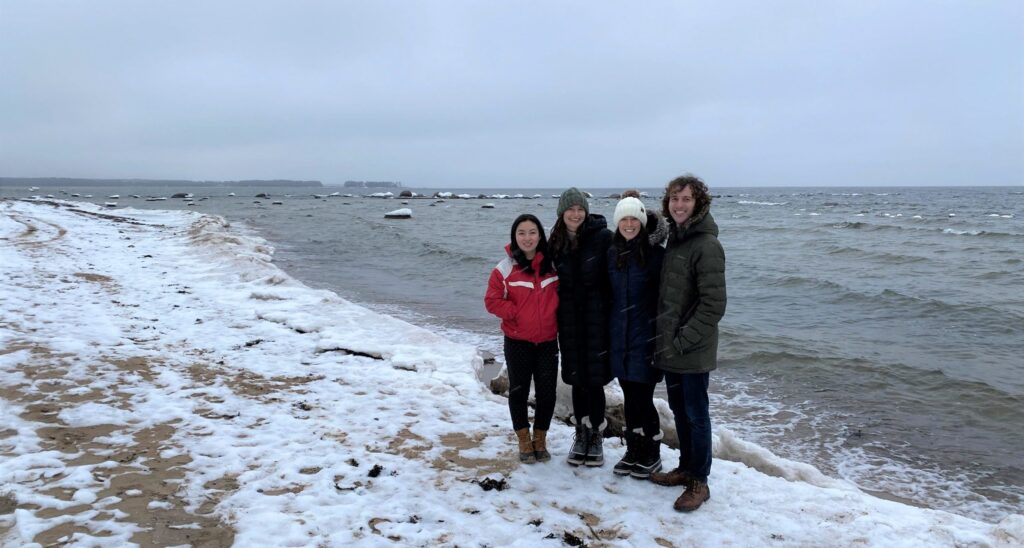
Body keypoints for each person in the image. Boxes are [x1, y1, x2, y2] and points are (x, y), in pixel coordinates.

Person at [649, 174, 727, 512]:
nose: (679, 205)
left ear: (699, 204)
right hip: (672, 347)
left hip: (691, 350)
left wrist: (683, 339)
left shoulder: (707, 245)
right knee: (680, 411)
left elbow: (714, 305)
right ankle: (685, 467)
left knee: (697, 415)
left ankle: (700, 481)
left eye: (686, 199)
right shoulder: (676, 241)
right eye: (674, 199)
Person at [485, 214, 560, 463]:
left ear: (540, 235)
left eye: (532, 232)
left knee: (547, 394)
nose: (527, 238)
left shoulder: (553, 264)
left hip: (548, 341)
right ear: (515, 237)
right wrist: (516, 314)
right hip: (517, 340)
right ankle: (524, 440)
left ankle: (540, 439)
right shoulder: (505, 268)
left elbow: (566, 295)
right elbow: (492, 301)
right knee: (518, 391)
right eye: (522, 233)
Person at [549, 187, 613, 466]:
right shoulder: (555, 242)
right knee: (576, 378)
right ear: (562, 213)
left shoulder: (603, 238)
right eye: (570, 209)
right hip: (569, 321)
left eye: (579, 209)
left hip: (597, 320)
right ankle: (581, 434)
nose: (575, 214)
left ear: (586, 211)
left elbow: (617, 273)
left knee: (595, 379)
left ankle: (595, 435)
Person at [607, 196, 668, 479]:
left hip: (646, 339)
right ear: (617, 223)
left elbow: (665, 302)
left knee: (643, 398)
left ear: (642, 223)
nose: (629, 224)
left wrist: (661, 340)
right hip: (620, 338)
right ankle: (633, 450)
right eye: (624, 219)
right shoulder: (612, 254)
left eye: (634, 219)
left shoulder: (656, 256)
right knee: (629, 398)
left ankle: (652, 452)